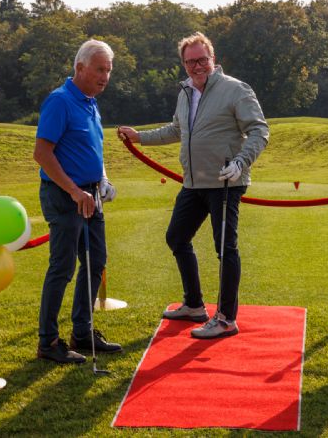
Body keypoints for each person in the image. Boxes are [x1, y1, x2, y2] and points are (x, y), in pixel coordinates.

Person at [117, 32, 269, 339]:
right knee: (176, 237)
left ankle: (226, 318)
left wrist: (240, 162)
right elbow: (177, 129)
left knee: (225, 249)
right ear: (184, 64)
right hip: (193, 182)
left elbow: (259, 131)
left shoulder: (236, 89)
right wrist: (140, 137)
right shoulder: (186, 92)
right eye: (190, 62)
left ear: (213, 59)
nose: (196, 66)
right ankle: (195, 305)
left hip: (226, 182)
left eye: (202, 60)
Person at [33, 39, 122, 364]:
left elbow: (92, 150)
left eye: (109, 70)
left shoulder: (90, 103)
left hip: (90, 194)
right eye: (100, 69)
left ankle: (82, 333)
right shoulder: (59, 101)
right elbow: (42, 153)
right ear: (80, 67)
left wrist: (103, 179)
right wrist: (74, 190)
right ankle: (48, 342)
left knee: (96, 262)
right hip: (64, 195)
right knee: (63, 266)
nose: (105, 76)